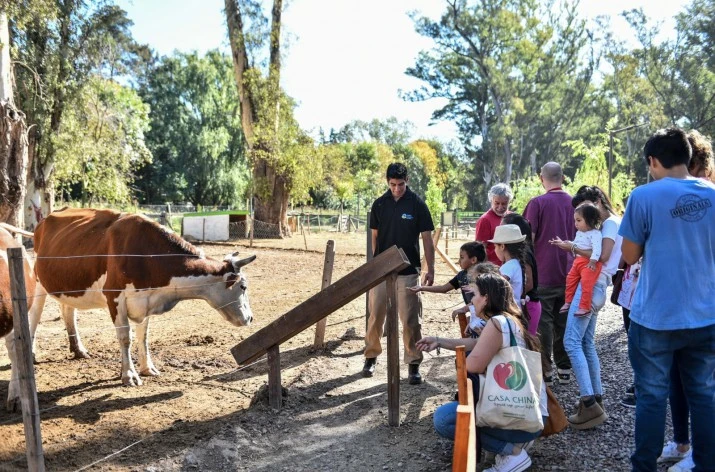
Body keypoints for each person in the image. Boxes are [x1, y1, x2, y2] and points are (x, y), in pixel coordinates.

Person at [619, 127, 715, 472]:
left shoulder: (643, 196)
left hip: (655, 316)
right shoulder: (713, 194)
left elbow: (629, 255)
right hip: (706, 314)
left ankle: (643, 466)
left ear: (653, 161)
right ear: (689, 158)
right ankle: (705, 464)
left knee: (652, 396)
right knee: (704, 394)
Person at [418, 273, 547, 472]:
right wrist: (439, 340)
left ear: (486, 298)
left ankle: (511, 452)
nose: (472, 300)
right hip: (528, 412)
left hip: (520, 417)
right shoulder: (508, 321)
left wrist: (465, 358)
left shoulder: (496, 324)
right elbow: (478, 344)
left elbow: (472, 365)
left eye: (475, 294)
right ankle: (514, 444)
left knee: (444, 419)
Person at [656, 129, 715, 472]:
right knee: (677, 379)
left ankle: (700, 457)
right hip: (678, 307)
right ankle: (682, 443)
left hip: (704, 309)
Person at [550, 186, 622, 430]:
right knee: (586, 343)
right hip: (598, 283)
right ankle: (596, 399)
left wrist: (570, 247)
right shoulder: (608, 224)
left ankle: (588, 402)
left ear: (599, 201)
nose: (586, 212)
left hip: (592, 283)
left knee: (571, 342)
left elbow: (601, 256)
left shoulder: (609, 225)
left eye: (588, 205)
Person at [363, 162, 436, 385]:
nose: (396, 189)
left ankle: (413, 363)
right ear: (387, 182)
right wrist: (374, 266)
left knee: (411, 320)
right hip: (382, 271)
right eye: (393, 184)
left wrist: (429, 268)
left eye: (401, 184)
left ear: (407, 181)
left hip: (408, 271)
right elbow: (374, 237)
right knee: (375, 316)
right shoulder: (379, 204)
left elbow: (426, 238)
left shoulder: (417, 205)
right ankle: (371, 357)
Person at [523, 162, 575, 386]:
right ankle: (565, 368)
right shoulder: (576, 203)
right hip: (570, 275)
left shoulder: (537, 204)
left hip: (543, 274)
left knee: (543, 326)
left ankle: (546, 372)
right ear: (562, 178)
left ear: (541, 178)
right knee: (563, 323)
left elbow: (528, 240)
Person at [408, 241, 486, 334]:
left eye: (462, 257)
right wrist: (421, 288)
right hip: (474, 314)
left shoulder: (484, 277)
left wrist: (464, 309)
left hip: (486, 316)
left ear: (473, 260)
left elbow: (484, 300)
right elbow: (444, 288)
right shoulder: (462, 275)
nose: (458, 261)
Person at [556, 203, 603, 317]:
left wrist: (592, 261)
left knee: (586, 284)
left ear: (590, 220)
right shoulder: (579, 232)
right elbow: (577, 245)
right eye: (575, 220)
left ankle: (584, 307)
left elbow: (597, 249)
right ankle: (568, 301)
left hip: (589, 263)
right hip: (578, 261)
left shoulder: (595, 234)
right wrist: (566, 243)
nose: (575, 223)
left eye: (579, 220)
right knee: (570, 279)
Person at [501, 213, 541, 336]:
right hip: (524, 304)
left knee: (527, 345)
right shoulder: (519, 253)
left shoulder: (524, 253)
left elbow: (528, 283)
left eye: (503, 227)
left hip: (527, 305)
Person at [488, 224, 528, 310]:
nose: (494, 250)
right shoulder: (516, 263)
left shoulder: (509, 267)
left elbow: (495, 286)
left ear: (502, 246)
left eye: (495, 246)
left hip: (508, 311)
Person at [475, 183, 513, 266]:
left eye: (504, 204)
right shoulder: (485, 220)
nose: (500, 207)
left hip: (510, 266)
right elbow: (480, 249)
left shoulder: (512, 217)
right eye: (497, 203)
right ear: (491, 200)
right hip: (493, 268)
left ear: (509, 202)